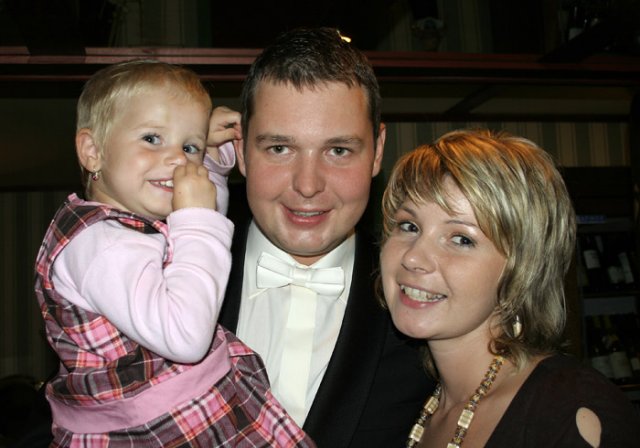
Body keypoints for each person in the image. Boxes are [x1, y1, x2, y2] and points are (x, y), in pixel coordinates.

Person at [34, 59, 314, 447]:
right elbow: (186, 337)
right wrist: (197, 216)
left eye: (189, 146)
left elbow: (195, 251)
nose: (179, 160)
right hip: (153, 432)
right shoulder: (102, 246)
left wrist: (209, 162)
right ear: (93, 151)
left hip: (188, 410)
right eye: (152, 138)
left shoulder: (131, 224)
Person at [218, 27, 434, 447]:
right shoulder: (158, 272)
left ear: (377, 151)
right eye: (280, 148)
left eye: (338, 151)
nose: (308, 185)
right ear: (241, 150)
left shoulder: (428, 306)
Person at [379, 128, 640, 447]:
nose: (413, 258)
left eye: (461, 239)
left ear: (522, 269)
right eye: (409, 226)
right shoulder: (403, 405)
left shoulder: (568, 410)